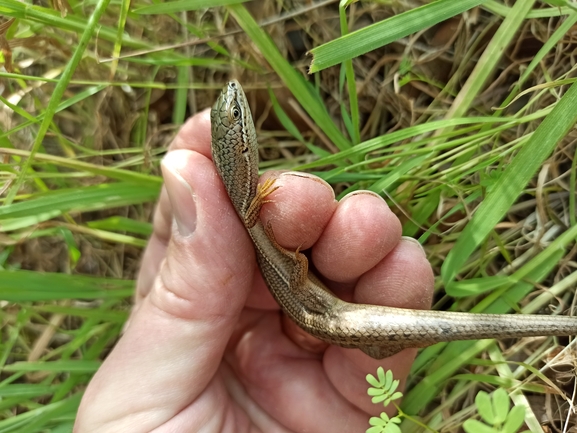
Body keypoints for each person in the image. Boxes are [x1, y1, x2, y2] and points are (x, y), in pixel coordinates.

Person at [74, 109, 434, 432]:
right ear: (242, 147)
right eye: (236, 116)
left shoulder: (248, 202)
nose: (237, 103)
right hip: (314, 309)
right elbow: (254, 222)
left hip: (312, 312)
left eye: (233, 116)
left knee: (383, 310)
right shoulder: (247, 206)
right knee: (379, 306)